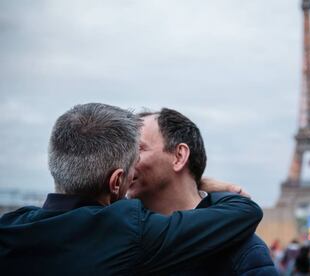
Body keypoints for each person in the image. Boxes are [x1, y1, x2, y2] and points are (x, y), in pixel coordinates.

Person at [0, 103, 263, 275]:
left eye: (140, 151)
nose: (134, 166)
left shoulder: (11, 227)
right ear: (116, 182)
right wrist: (208, 182)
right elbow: (245, 209)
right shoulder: (127, 229)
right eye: (131, 158)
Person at [127, 108, 277, 275]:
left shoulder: (244, 251)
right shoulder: (122, 233)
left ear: (179, 156)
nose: (123, 161)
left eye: (137, 149)